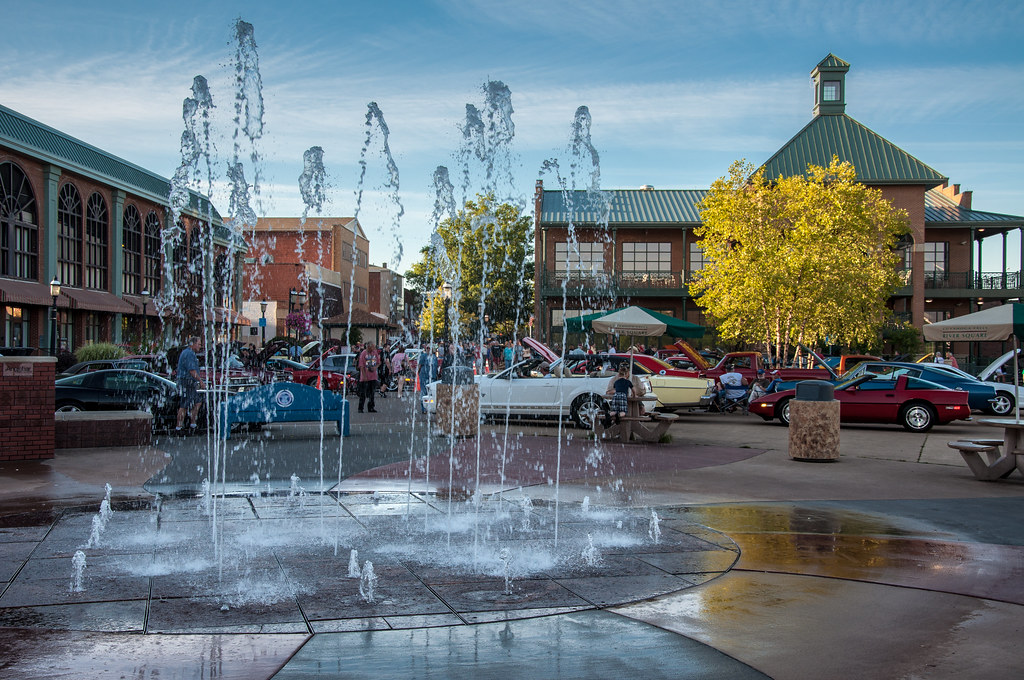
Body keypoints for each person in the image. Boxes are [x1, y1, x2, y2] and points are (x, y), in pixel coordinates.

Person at [175, 335, 203, 433]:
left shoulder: (188, 353)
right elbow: (192, 370)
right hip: (187, 382)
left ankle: (192, 424)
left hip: (188, 382)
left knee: (197, 402)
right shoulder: (189, 354)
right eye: (199, 344)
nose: (200, 346)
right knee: (184, 405)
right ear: (193, 344)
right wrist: (200, 381)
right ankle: (179, 427)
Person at [357, 341, 381, 413]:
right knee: (363, 393)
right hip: (365, 377)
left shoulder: (375, 353)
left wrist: (375, 367)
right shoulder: (363, 353)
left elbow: (378, 362)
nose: (374, 349)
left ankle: (371, 407)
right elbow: (361, 366)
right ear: (368, 347)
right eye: (372, 347)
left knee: (372, 393)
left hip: (373, 377)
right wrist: (364, 376)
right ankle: (360, 408)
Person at [418, 345, 439, 413]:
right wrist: (418, 373)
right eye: (427, 348)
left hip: (432, 377)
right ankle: (423, 408)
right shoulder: (423, 356)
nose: (429, 349)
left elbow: (436, 367)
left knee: (431, 393)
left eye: (430, 348)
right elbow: (419, 365)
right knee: (424, 392)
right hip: (424, 376)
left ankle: (431, 408)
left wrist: (437, 375)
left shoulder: (434, 357)